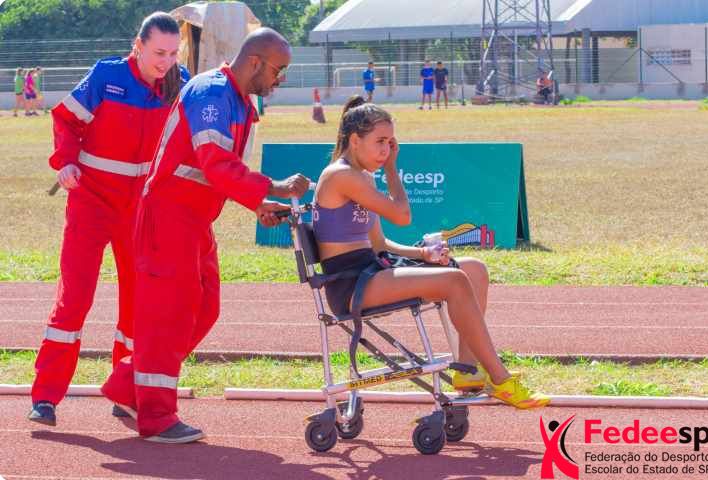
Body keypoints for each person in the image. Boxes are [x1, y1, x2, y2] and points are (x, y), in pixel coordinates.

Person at [101, 27, 310, 444]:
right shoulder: (212, 93)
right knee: (169, 315)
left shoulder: (238, 100)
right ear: (255, 62)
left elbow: (215, 172)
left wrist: (258, 203)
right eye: (278, 70)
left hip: (194, 220)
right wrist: (274, 187)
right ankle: (156, 416)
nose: (281, 79)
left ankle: (127, 386)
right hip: (168, 217)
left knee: (204, 307)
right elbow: (214, 163)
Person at [313, 95, 550, 409]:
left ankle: (467, 371)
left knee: (474, 270)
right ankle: (501, 379)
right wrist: (392, 170)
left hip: (371, 269)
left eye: (390, 143)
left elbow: (380, 245)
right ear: (355, 140)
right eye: (380, 142)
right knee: (454, 280)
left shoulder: (362, 176)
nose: (386, 151)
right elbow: (402, 216)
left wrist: (422, 254)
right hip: (350, 284)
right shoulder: (341, 176)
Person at [28, 12, 188, 427]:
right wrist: (65, 161)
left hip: (141, 212)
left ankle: (125, 392)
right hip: (92, 203)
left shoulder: (181, 83)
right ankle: (45, 397)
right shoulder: (106, 75)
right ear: (138, 45)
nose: (166, 62)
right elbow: (65, 119)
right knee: (74, 298)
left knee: (139, 304)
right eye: (159, 52)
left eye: (173, 54)